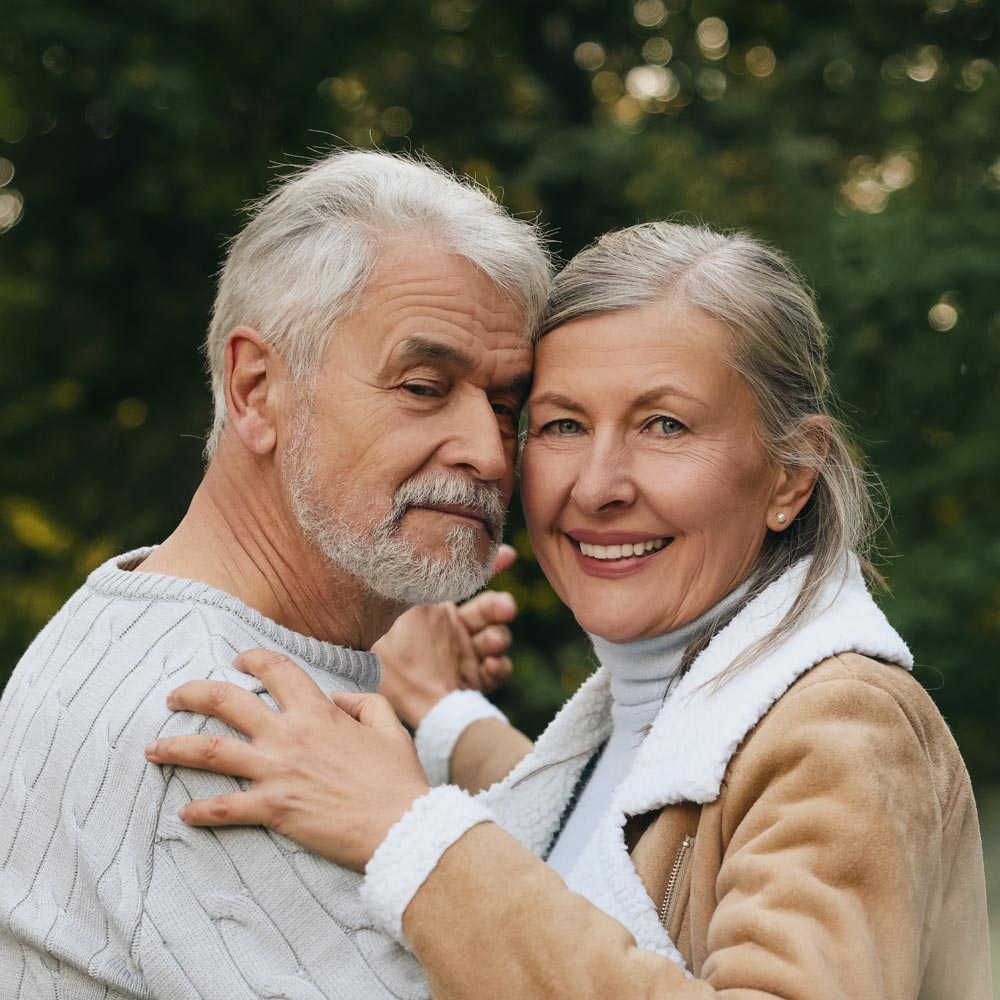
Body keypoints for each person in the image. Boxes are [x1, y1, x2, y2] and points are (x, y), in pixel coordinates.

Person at [144, 222, 992, 999]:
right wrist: (442, 714)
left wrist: (406, 833)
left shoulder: (848, 729)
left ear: (789, 478)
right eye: (560, 426)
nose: (597, 486)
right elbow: (618, 833)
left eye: (663, 424)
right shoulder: (662, 707)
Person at [0, 148, 550, 998]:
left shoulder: (147, 615)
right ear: (257, 388)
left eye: (506, 405)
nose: (489, 454)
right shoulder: (226, 726)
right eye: (421, 386)